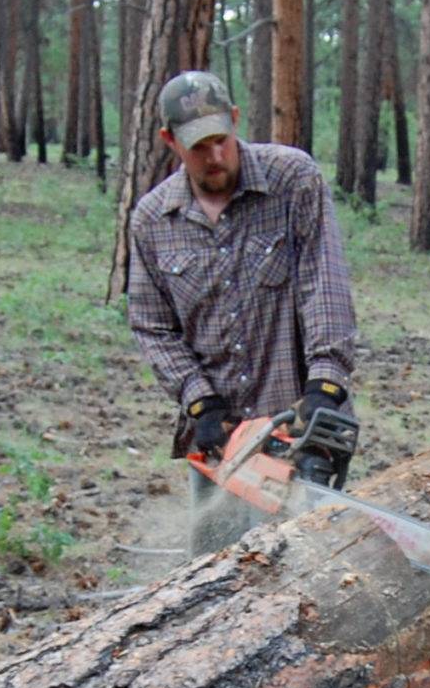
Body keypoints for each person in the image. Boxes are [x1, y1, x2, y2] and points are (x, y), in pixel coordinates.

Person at [125, 72, 358, 550]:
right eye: (197, 147)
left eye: (220, 140)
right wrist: (200, 402)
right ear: (170, 141)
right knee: (213, 574)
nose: (214, 157)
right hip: (221, 438)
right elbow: (152, 326)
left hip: (294, 418)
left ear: (235, 121)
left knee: (308, 567)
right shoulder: (153, 220)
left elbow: (325, 285)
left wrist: (325, 383)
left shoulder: (292, 180)